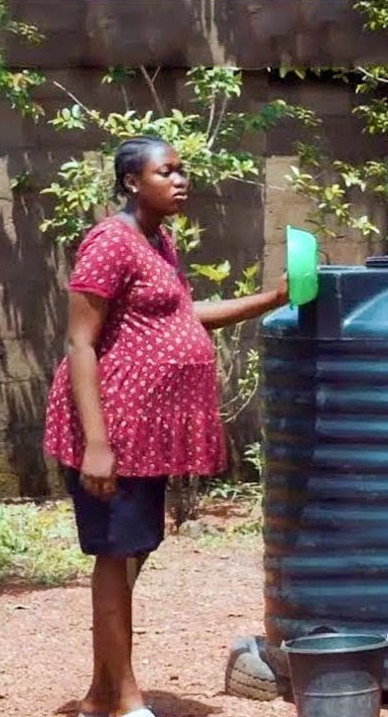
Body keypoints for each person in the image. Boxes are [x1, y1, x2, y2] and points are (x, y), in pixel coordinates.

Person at [43, 136, 288, 717]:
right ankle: (127, 700)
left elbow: (182, 315)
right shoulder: (109, 242)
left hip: (146, 433)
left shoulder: (159, 242)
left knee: (132, 552)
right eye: (166, 172)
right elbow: (80, 341)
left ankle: (103, 694)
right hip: (112, 429)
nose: (180, 181)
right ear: (132, 182)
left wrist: (271, 298)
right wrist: (97, 446)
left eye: (182, 171)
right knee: (116, 553)